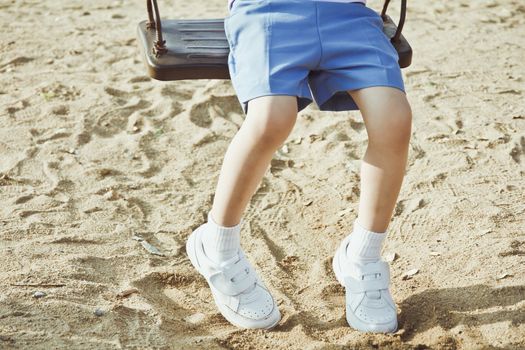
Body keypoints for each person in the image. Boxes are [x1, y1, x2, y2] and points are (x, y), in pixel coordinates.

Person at [186, 0, 412, 332]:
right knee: (271, 119)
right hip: (268, 11)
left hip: (347, 16)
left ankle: (362, 256)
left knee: (394, 119)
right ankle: (217, 245)